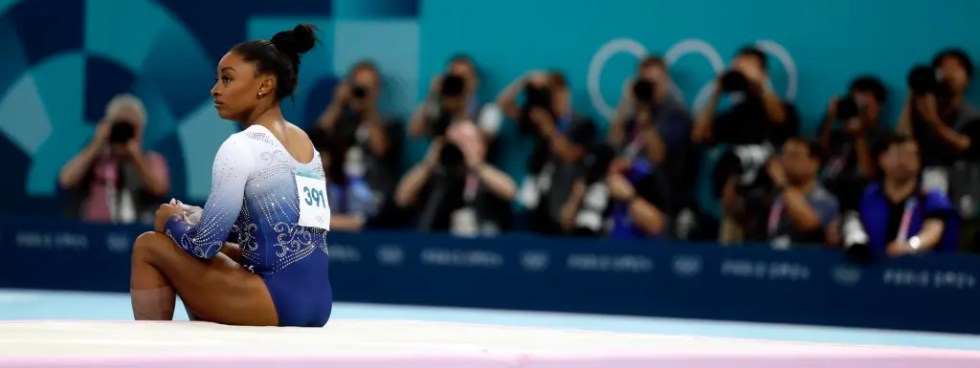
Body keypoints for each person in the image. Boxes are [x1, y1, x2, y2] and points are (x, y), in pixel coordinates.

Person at [129, 24, 332, 327]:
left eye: (227, 78)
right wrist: (196, 216)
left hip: (275, 300)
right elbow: (289, 236)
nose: (215, 89)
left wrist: (171, 222)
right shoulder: (306, 144)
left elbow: (204, 245)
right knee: (211, 252)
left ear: (264, 86)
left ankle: (152, 354)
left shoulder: (241, 146)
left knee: (150, 245)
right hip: (318, 303)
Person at [59, 94, 170, 225]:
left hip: (136, 236)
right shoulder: (94, 159)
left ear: (140, 129)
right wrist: (97, 142)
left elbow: (159, 188)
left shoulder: (151, 160)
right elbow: (66, 180)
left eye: (130, 126)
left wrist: (135, 156)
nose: (124, 131)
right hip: (90, 233)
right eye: (119, 125)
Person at [858, 134, 959, 257]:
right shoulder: (867, 196)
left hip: (917, 270)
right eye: (898, 154)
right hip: (870, 268)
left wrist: (912, 245)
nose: (904, 160)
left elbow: (933, 230)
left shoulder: (931, 197)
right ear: (882, 159)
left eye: (911, 155)